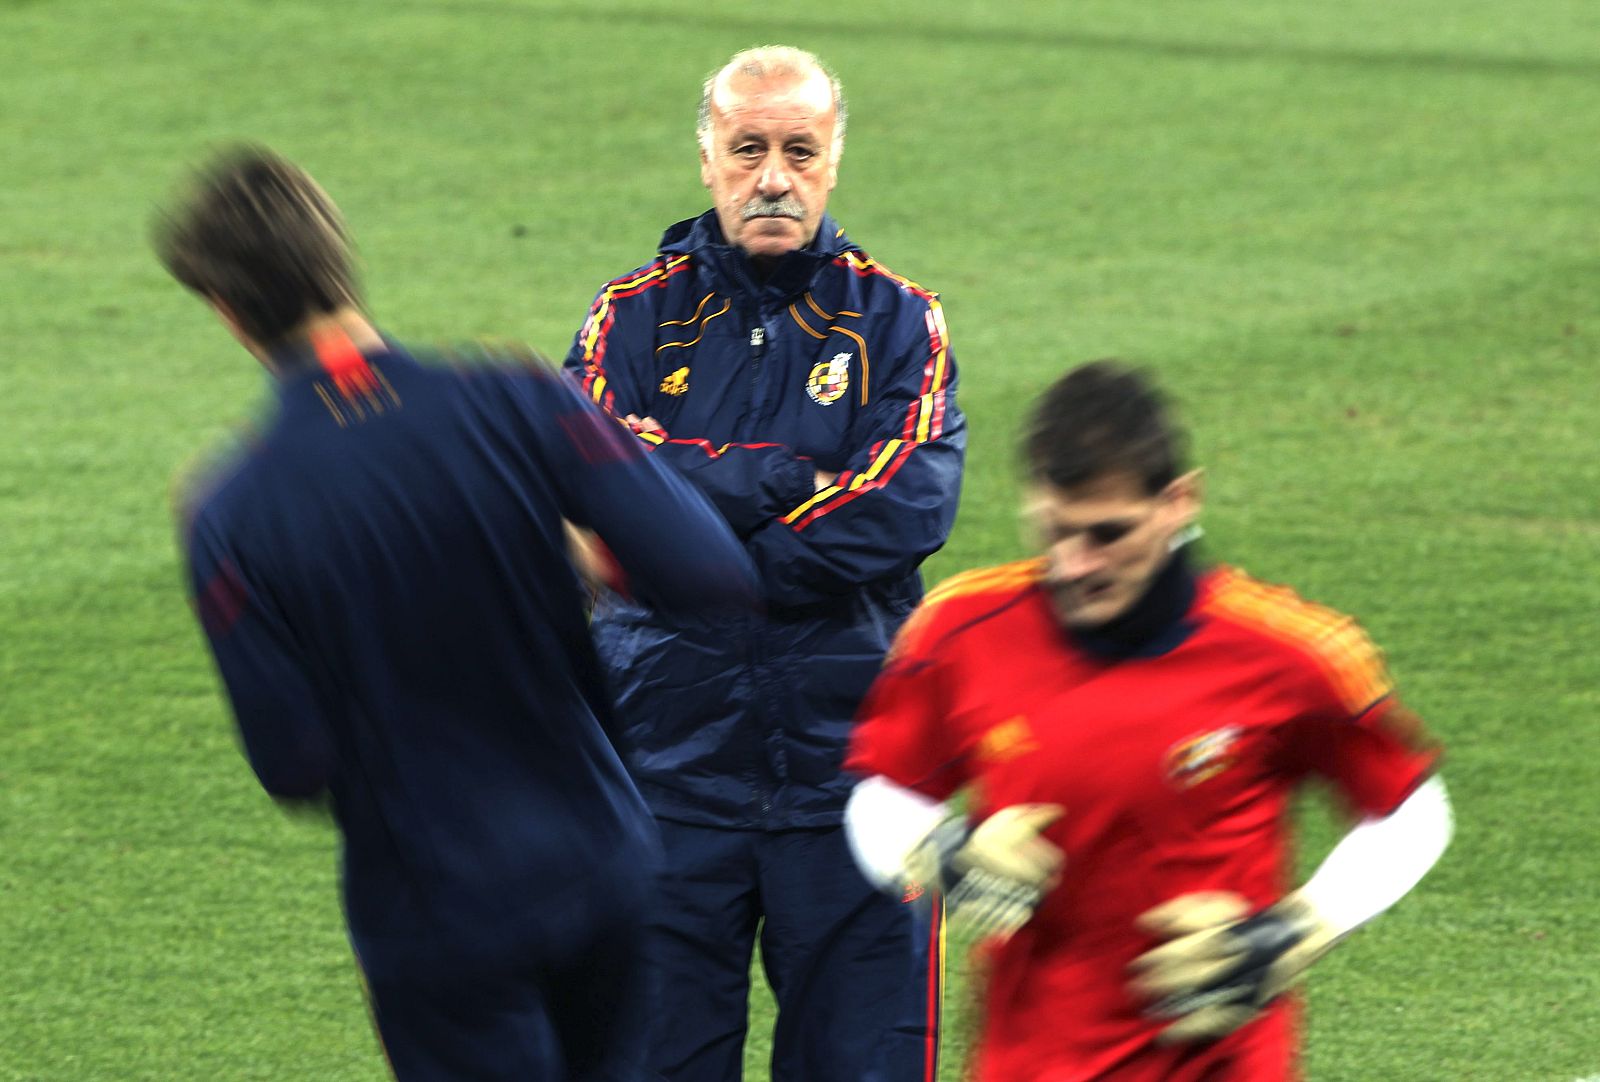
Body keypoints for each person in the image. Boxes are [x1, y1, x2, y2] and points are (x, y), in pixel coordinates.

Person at [156, 146, 759, 1082]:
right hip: (605, 864)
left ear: (228, 313)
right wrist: (583, 555)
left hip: (437, 914)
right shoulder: (516, 398)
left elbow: (293, 762)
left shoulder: (230, 512)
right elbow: (711, 573)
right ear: (337, 257)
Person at [843, 361, 1453, 1081]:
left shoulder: (1288, 652)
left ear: (1178, 502)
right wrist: (942, 852)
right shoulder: (961, 631)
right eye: (1056, 531)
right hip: (1031, 1061)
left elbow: (1411, 810)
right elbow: (880, 795)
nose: (1075, 564)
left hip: (1219, 1065)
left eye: (1108, 534)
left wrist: (1299, 928)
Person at [561, 45, 965, 1082]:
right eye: (747, 150)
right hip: (663, 778)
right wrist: (785, 474)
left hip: (853, 782)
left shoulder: (899, 322)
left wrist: (688, 534)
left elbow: (904, 507)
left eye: (797, 149)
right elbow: (593, 494)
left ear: (834, 159)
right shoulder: (629, 317)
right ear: (707, 157)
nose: (771, 177)